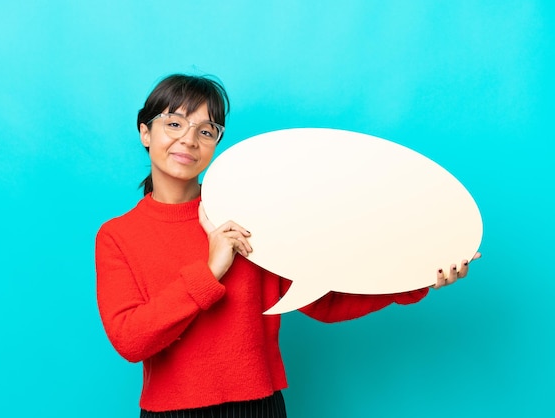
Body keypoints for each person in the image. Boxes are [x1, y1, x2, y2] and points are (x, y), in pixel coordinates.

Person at [95, 74, 480, 417]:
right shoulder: (117, 236)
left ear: (216, 143)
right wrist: (210, 270)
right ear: (145, 132)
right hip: (171, 412)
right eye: (174, 123)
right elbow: (131, 340)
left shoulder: (248, 214)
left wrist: (414, 279)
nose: (188, 140)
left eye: (206, 130)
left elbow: (322, 301)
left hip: (259, 406)